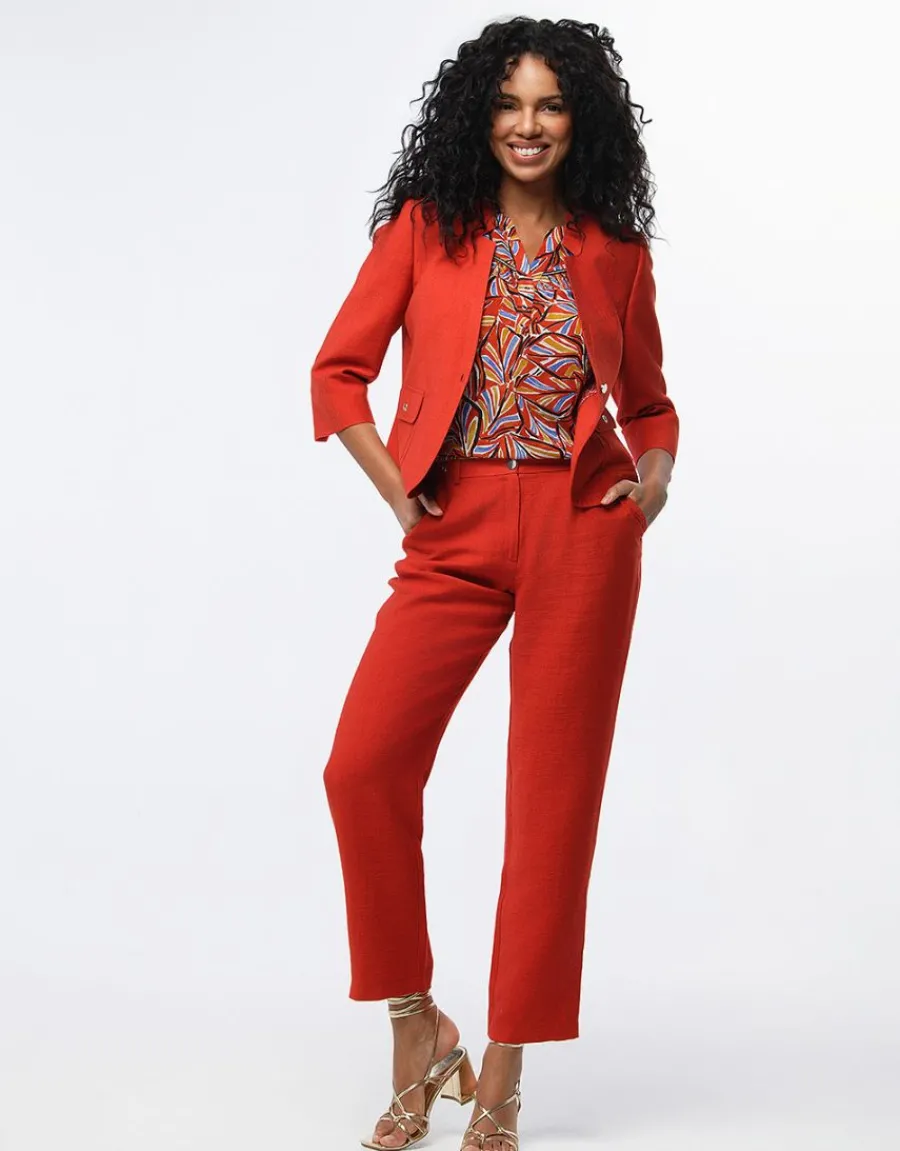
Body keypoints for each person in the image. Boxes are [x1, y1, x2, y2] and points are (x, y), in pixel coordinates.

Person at [309, 16, 679, 1150]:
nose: (528, 125)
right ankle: (417, 1023)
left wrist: (650, 482)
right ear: (481, 115)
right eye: (510, 103)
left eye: (551, 104)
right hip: (454, 521)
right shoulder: (428, 229)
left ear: (581, 121)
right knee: (363, 764)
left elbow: (651, 402)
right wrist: (398, 492)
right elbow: (337, 372)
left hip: (581, 530)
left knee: (550, 803)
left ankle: (506, 1068)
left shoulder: (615, 249)